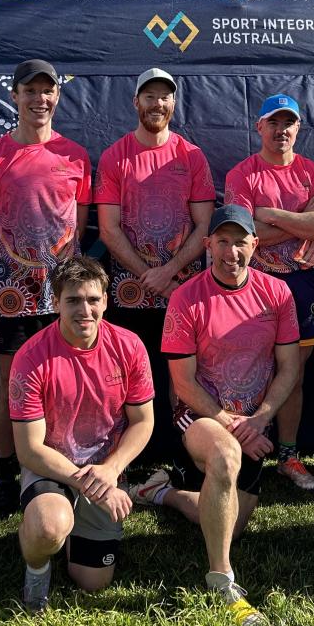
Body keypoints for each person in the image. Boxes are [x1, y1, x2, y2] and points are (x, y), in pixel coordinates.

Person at [132, 204, 299, 626]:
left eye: (240, 241)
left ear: (255, 245)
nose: (231, 250)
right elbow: (183, 384)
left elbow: (290, 369)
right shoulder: (187, 297)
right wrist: (233, 425)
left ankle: (161, 493)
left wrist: (259, 420)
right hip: (201, 415)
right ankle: (222, 579)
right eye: (222, 241)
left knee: (232, 523)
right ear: (208, 245)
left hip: (254, 421)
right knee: (225, 457)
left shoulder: (277, 293)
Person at [0, 59, 92, 518]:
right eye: (30, 90)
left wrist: (55, 277)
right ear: (14, 96)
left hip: (65, 294)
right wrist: (14, 269)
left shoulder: (76, 156)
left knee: (65, 381)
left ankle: (59, 465)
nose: (39, 99)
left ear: (58, 96)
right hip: (10, 294)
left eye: (47, 90)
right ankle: (4, 475)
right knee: (11, 386)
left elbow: (79, 222)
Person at [9, 257, 155, 612]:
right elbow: (29, 451)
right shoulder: (31, 357)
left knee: (93, 582)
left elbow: (143, 422)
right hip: (53, 466)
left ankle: (74, 530)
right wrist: (94, 484)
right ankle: (36, 567)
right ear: (56, 303)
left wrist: (110, 469)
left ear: (106, 300)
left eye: (93, 299)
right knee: (48, 526)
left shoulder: (130, 346)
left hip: (103, 467)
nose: (84, 310)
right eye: (73, 300)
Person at [96, 68, 214, 452]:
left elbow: (203, 225)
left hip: (183, 289)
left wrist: (169, 272)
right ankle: (137, 447)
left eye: (165, 97)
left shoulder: (192, 156)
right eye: (150, 96)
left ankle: (182, 447)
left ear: (174, 104)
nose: (157, 104)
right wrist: (150, 274)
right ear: (136, 103)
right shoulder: (115, 157)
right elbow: (109, 231)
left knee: (182, 372)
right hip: (132, 291)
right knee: (133, 370)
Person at [224, 94, 314, 491]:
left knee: (293, 373)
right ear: (259, 127)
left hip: (300, 284)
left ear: (298, 129)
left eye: (288, 123)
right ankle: (242, 448)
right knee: (244, 370)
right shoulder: (243, 175)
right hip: (253, 285)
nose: (281, 130)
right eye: (273, 122)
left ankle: (288, 457)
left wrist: (270, 216)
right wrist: (303, 219)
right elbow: (243, 237)